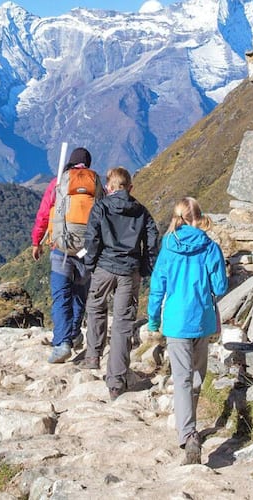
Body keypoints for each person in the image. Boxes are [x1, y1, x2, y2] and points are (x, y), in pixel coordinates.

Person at [146, 197, 227, 465]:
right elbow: (220, 286)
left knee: (181, 378)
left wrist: (153, 319)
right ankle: (189, 427)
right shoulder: (210, 247)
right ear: (199, 218)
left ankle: (188, 434)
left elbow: (157, 286)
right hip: (201, 319)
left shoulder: (168, 246)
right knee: (196, 377)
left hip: (176, 322)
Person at [80, 167, 160, 399]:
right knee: (123, 323)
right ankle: (116, 382)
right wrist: (145, 267)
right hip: (129, 271)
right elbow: (152, 242)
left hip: (104, 267)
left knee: (95, 307)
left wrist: (90, 263)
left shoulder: (101, 207)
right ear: (130, 187)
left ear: (108, 187)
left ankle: (93, 355)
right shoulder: (141, 211)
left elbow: (92, 238)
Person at [31, 147, 104, 363]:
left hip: (61, 247)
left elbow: (44, 214)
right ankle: (73, 334)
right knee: (80, 294)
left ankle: (62, 343)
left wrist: (36, 242)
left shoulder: (59, 183)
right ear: (88, 164)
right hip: (86, 250)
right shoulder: (95, 183)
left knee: (61, 296)